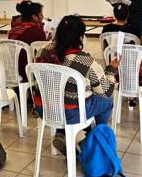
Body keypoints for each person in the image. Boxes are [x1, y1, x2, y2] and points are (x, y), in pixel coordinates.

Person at [36, 16, 118, 155]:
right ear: (81, 37)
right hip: (70, 113)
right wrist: (111, 69)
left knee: (76, 95)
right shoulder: (85, 61)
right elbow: (105, 91)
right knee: (107, 101)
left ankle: (64, 133)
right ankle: (95, 140)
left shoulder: (43, 51)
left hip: (44, 108)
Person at [8, 0, 47, 81]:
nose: (42, 17)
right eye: (41, 14)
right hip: (30, 72)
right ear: (34, 17)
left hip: (13, 70)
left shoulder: (13, 31)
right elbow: (42, 53)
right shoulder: (38, 31)